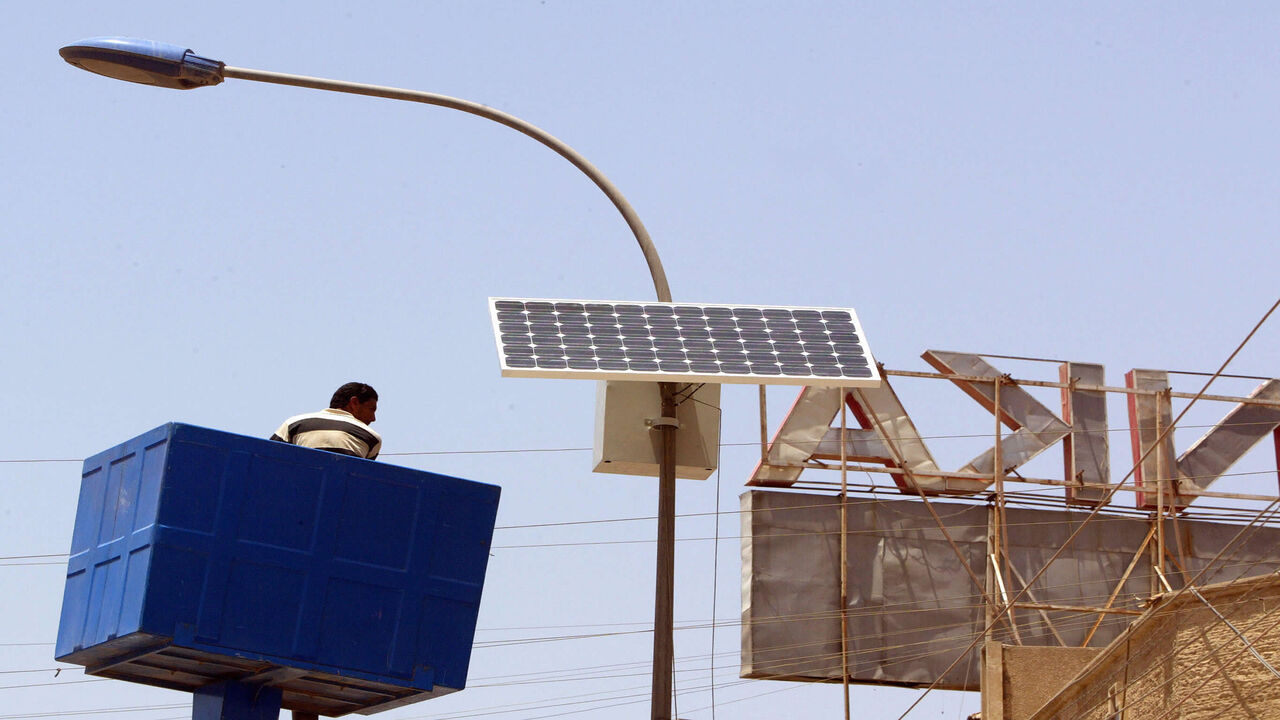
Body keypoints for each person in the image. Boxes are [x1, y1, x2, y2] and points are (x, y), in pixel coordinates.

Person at [270, 382, 382, 459]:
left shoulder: (293, 423)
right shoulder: (372, 437)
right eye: (372, 409)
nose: (373, 418)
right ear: (354, 403)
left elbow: (267, 456)